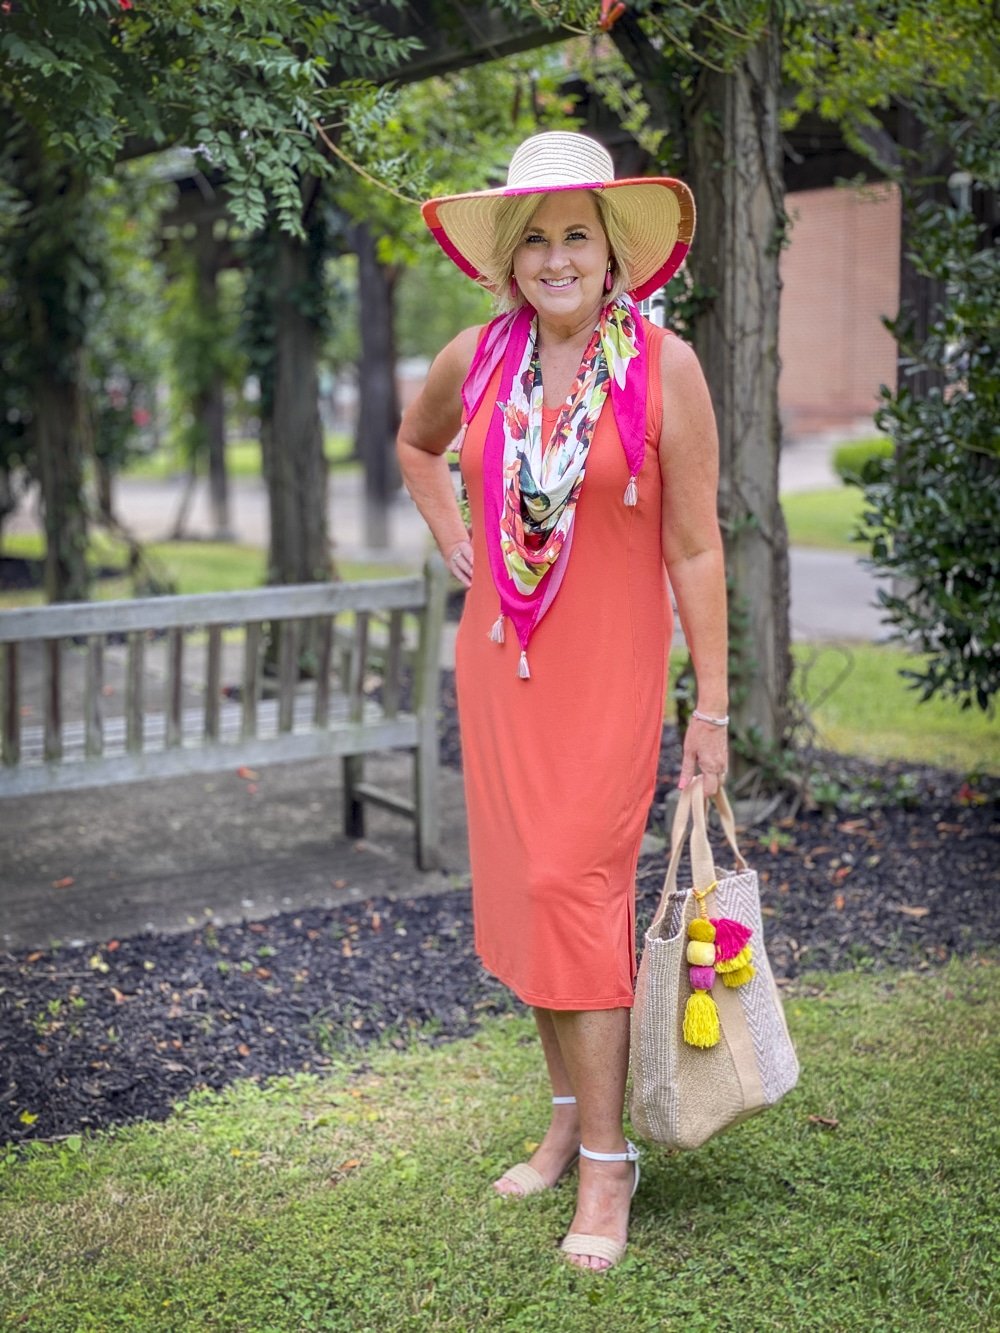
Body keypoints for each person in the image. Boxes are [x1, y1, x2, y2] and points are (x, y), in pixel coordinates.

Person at [397, 131, 729, 1272]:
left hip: (608, 670)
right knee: (529, 897)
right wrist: (453, 534)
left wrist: (714, 707)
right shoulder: (477, 358)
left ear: (610, 251)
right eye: (531, 238)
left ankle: (606, 1161)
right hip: (499, 664)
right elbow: (416, 444)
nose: (553, 257)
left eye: (573, 234)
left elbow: (693, 548)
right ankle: (559, 1111)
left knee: (571, 888)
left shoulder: (661, 367)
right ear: (508, 258)